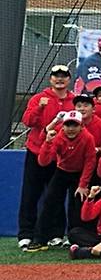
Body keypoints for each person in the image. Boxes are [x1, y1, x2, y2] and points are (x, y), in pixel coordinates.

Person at [18, 65, 75, 250]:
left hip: (60, 156)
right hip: (36, 151)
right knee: (30, 194)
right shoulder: (39, 98)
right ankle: (26, 234)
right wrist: (40, 108)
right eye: (56, 76)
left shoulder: (74, 100)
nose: (60, 79)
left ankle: (55, 234)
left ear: (69, 79)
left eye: (64, 76)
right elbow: (27, 121)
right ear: (50, 79)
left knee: (56, 195)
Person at [25, 111, 97, 252]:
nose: (71, 129)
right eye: (68, 125)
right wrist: (47, 143)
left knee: (77, 205)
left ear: (81, 126)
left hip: (79, 173)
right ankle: (40, 239)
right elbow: (43, 162)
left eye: (75, 125)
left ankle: (77, 240)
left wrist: (83, 184)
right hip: (62, 171)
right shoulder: (58, 137)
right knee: (49, 203)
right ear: (63, 126)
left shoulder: (88, 138)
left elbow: (90, 161)